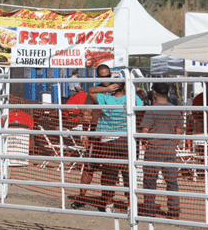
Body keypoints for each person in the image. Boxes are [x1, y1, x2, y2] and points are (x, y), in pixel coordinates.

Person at [87, 65, 144, 212]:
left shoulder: (104, 98)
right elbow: (142, 111)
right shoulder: (134, 99)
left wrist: (106, 89)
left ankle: (108, 203)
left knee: (108, 174)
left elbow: (91, 90)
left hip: (108, 141)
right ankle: (131, 204)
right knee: (128, 174)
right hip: (127, 141)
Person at [140, 82, 184, 219]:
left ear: (154, 93)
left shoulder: (152, 110)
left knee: (149, 182)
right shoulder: (175, 109)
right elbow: (178, 131)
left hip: (153, 150)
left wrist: (144, 143)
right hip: (169, 151)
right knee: (172, 182)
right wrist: (172, 145)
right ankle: (174, 210)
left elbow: (145, 131)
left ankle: (149, 209)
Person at [71, 65, 112, 209]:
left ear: (110, 75)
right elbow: (86, 113)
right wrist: (85, 134)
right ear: (98, 77)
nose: (105, 79)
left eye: (107, 76)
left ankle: (106, 200)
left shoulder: (118, 90)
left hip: (113, 135)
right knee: (89, 167)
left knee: (109, 170)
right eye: (102, 77)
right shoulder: (94, 92)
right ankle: (81, 197)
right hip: (95, 133)